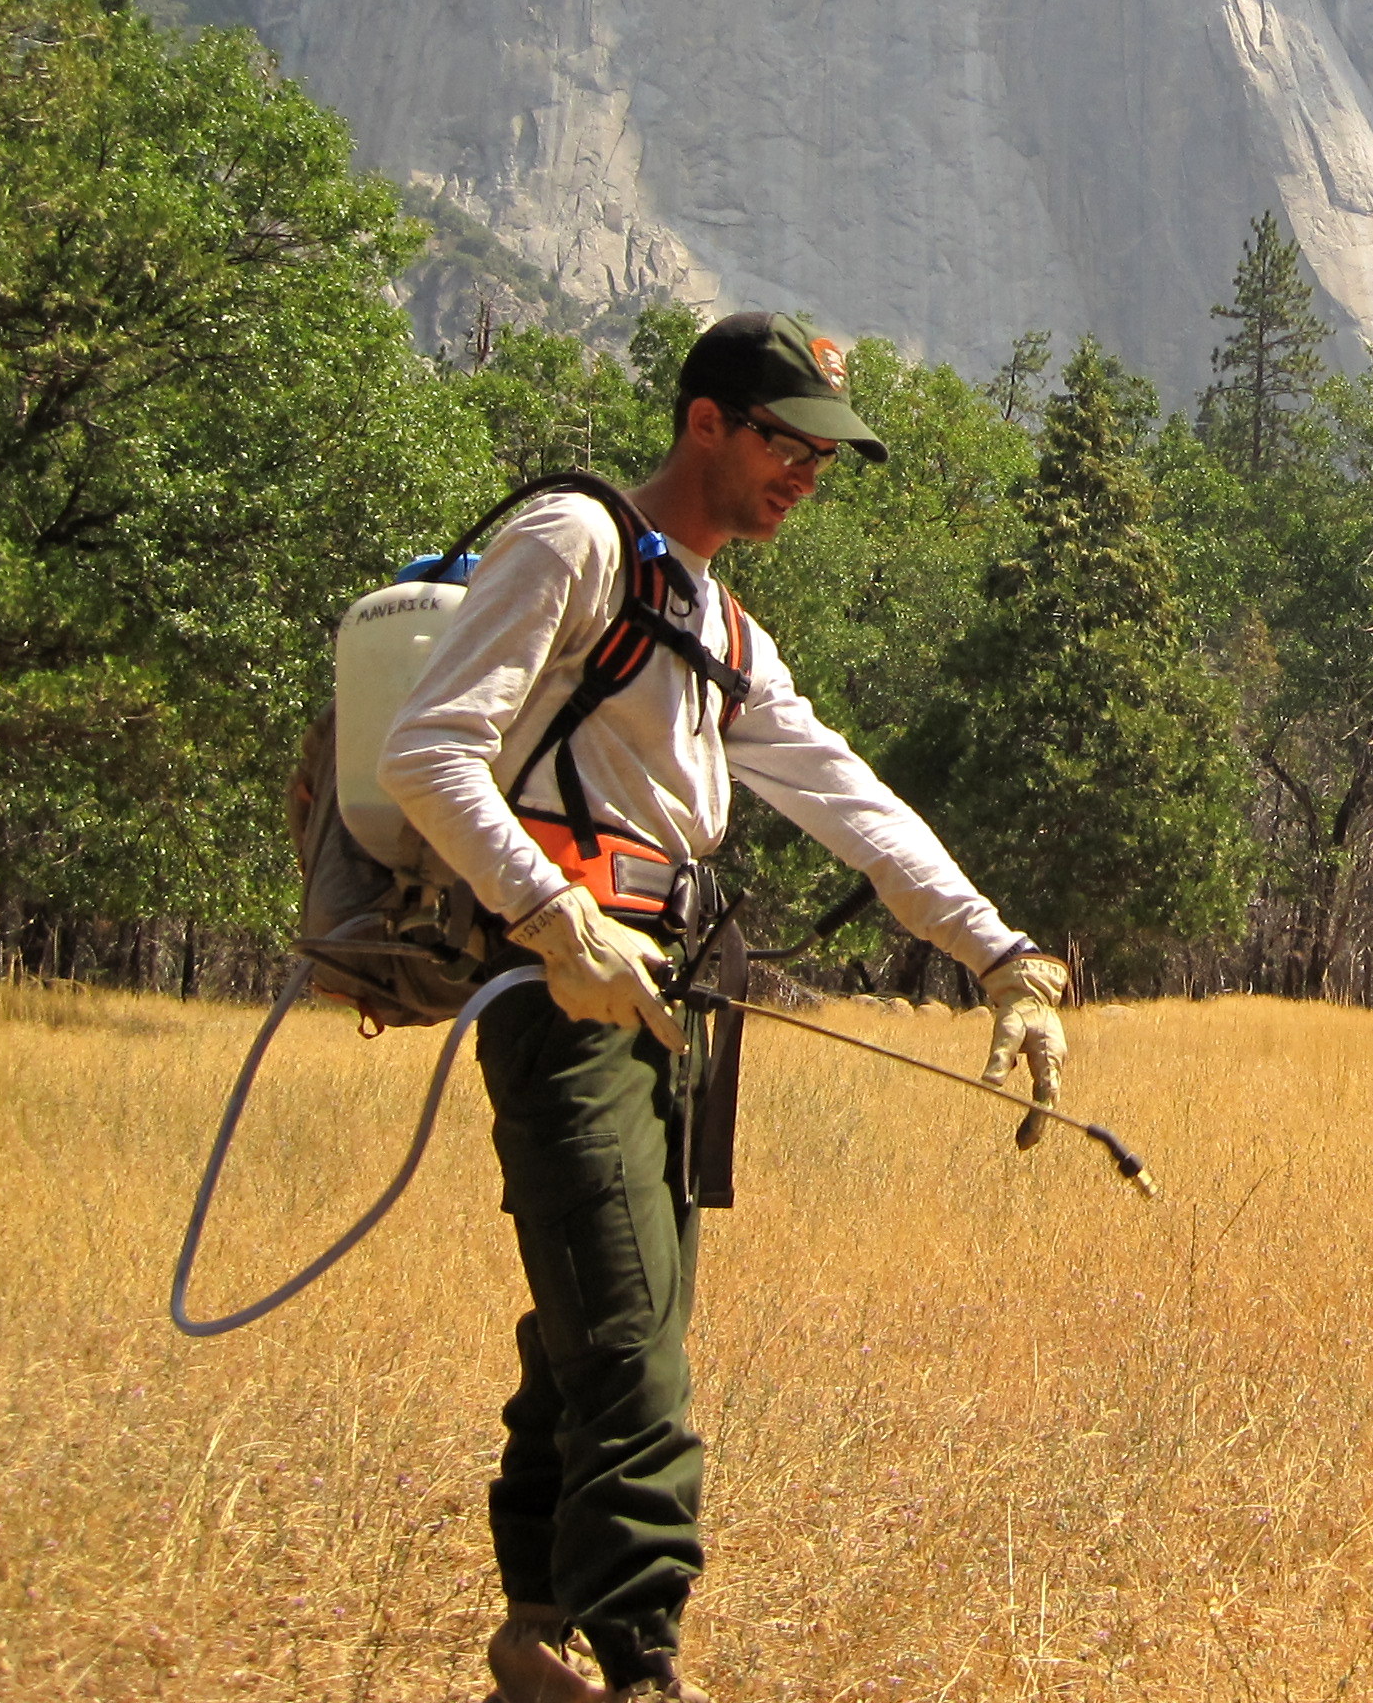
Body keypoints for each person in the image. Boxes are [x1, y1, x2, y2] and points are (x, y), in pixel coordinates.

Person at [380, 312, 1070, 1703]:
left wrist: (1003, 959)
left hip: (671, 1001)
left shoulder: (719, 622)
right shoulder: (575, 547)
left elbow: (845, 796)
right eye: (786, 439)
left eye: (824, 453)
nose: (808, 472)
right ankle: (645, 1664)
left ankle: (536, 1626)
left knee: (605, 1314)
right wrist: (550, 916)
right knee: (629, 1327)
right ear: (706, 422)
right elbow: (426, 750)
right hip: (562, 986)